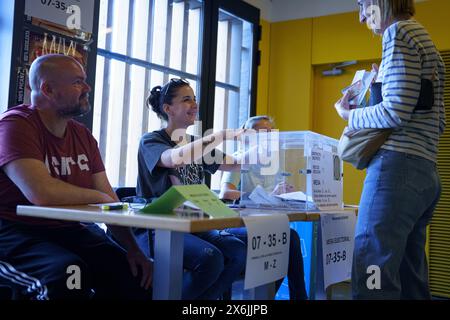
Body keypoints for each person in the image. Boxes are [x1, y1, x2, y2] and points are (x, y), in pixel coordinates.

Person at [0, 55, 153, 300]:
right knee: (69, 275)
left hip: (69, 229)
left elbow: (110, 201)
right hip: (15, 231)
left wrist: (134, 250)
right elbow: (41, 192)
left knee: (134, 273)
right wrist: (99, 196)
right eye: (78, 82)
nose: (87, 88)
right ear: (48, 89)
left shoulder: (82, 135)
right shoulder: (15, 124)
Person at [334, 0, 445, 299]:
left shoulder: (397, 34)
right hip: (424, 173)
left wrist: (349, 115)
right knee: (410, 276)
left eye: (362, 4)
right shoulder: (423, 39)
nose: (360, 17)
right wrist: (382, 86)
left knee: (372, 267)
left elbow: (395, 112)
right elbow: (437, 120)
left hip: (395, 172)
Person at [137, 78, 247, 300]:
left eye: (194, 99)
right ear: (168, 109)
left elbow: (235, 163)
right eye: (186, 100)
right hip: (159, 225)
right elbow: (174, 159)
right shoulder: (152, 140)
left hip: (193, 219)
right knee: (211, 258)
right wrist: (221, 135)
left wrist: (265, 146)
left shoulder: (195, 143)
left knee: (237, 250)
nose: (194, 104)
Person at [220, 115, 308, 300]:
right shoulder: (238, 160)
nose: (268, 138)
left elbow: (273, 197)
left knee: (289, 238)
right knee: (289, 238)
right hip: (237, 223)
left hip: (264, 223)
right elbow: (226, 193)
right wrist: (266, 197)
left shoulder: (273, 165)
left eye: (271, 134)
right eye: (262, 134)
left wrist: (284, 195)